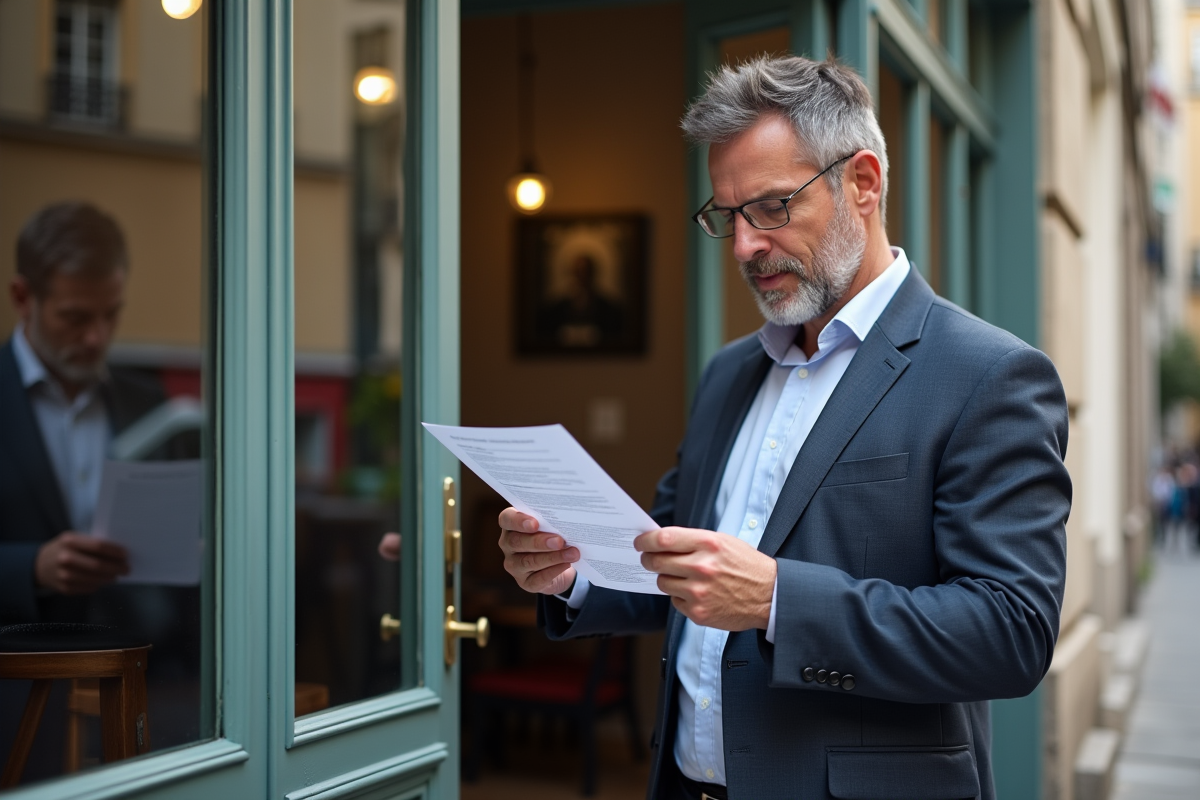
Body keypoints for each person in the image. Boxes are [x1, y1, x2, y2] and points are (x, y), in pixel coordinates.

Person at [497, 56, 1070, 800]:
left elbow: (1010, 632)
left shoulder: (989, 375)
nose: (744, 246)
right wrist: (571, 574)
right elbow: (675, 560)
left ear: (862, 184)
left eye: (771, 207)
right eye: (727, 216)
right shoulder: (728, 374)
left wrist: (776, 600)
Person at [0, 201, 165, 623]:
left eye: (111, 314)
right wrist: (33, 567)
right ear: (23, 297)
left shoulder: (150, 404)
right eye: (75, 317)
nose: (97, 337)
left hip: (144, 671)